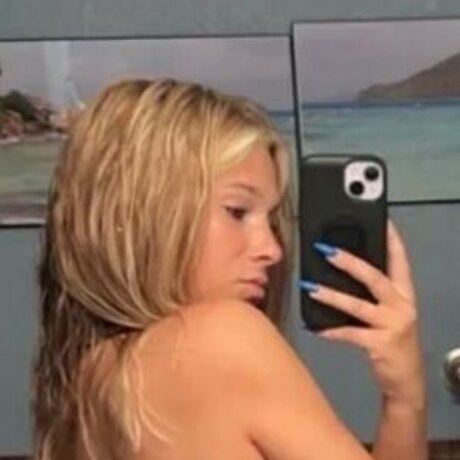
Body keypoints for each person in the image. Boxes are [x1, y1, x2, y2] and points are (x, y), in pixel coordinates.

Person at [33, 78, 427, 460]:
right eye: (237, 212)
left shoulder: (93, 379)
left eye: (271, 220)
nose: (272, 250)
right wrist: (408, 396)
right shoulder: (219, 339)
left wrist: (403, 401)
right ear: (144, 214)